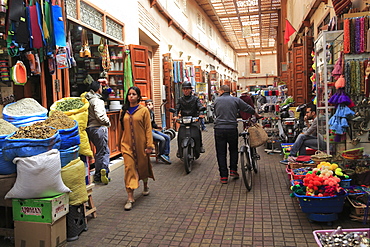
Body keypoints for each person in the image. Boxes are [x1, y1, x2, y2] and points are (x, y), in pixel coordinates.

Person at [213, 85, 262, 184]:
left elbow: (215, 113)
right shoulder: (235, 100)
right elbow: (248, 108)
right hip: (231, 128)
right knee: (233, 150)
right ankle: (233, 170)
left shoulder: (216, 101)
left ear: (222, 91)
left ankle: (223, 177)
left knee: (221, 153)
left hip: (219, 129)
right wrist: (257, 115)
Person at [120, 86, 155, 210]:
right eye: (129, 94)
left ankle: (145, 185)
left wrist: (149, 145)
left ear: (138, 96)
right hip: (127, 146)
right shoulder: (123, 111)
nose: (131, 96)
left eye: (134, 94)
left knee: (142, 166)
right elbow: (121, 129)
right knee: (129, 168)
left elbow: (148, 129)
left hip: (141, 145)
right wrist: (121, 144)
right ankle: (130, 197)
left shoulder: (144, 110)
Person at [85, 80, 111, 185]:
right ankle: (101, 173)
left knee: (100, 151)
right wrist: (107, 122)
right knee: (103, 152)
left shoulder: (87, 99)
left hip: (90, 128)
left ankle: (99, 174)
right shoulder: (97, 100)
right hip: (99, 128)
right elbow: (100, 115)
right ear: (98, 89)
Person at [174, 81, 205, 153]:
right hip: (183, 120)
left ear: (190, 90)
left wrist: (201, 113)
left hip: (193, 119)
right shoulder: (180, 100)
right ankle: (180, 150)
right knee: (180, 135)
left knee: (197, 131)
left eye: (187, 89)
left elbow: (200, 107)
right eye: (184, 89)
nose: (186, 91)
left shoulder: (195, 99)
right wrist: (175, 116)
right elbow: (177, 108)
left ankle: (200, 146)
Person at [145, 99, 171, 164]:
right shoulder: (144, 113)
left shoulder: (152, 113)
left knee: (167, 137)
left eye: (150, 104)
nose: (149, 106)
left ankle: (166, 154)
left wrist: (157, 126)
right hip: (147, 132)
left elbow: (153, 123)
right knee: (162, 139)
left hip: (152, 130)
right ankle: (160, 154)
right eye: (147, 105)